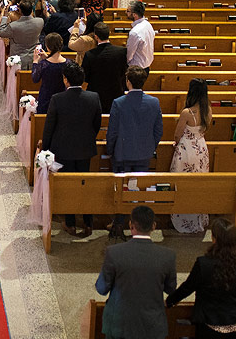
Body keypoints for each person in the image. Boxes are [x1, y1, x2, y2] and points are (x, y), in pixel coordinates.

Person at [167, 218, 236, 339]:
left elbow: (188, 287)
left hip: (212, 323)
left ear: (214, 239)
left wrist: (170, 301)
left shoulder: (204, 264)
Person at [95, 205, 176, 339]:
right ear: (154, 226)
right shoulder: (167, 256)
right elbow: (170, 289)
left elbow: (102, 289)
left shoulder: (114, 252)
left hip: (120, 321)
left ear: (131, 225)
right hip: (151, 324)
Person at [41, 62, 102, 236]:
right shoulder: (93, 97)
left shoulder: (57, 99)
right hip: (85, 148)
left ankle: (70, 223)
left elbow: (49, 127)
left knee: (68, 186)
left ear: (66, 80)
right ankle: (88, 222)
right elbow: (96, 124)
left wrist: (45, 149)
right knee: (84, 184)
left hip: (63, 149)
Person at [106, 65, 164, 239]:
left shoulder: (118, 103)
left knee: (121, 190)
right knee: (138, 190)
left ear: (128, 81)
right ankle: (138, 225)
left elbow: (113, 132)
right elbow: (158, 130)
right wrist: (149, 147)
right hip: (143, 154)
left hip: (122, 154)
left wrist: (111, 150)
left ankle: (118, 223)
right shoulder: (154, 102)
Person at [169, 79, 212, 234]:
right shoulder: (207, 110)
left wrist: (176, 143)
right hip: (201, 148)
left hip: (187, 150)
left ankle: (184, 219)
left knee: (182, 184)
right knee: (198, 184)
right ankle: (197, 217)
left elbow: (177, 134)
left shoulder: (187, 112)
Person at [81, 21, 128, 111]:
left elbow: (85, 77)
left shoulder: (89, 55)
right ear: (109, 33)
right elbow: (124, 72)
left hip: (96, 95)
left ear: (96, 36)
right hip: (116, 93)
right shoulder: (121, 52)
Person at [0, 0, 43, 70]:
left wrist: (5, 16)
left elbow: (1, 32)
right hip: (34, 58)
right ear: (31, 11)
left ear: (19, 11)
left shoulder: (13, 26)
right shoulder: (40, 21)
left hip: (18, 60)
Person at [30, 32, 67, 115]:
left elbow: (35, 79)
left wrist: (35, 61)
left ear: (47, 47)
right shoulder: (68, 63)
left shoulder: (44, 64)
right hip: (62, 98)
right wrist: (47, 57)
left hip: (46, 98)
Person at [123, 0, 155, 73]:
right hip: (146, 66)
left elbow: (129, 55)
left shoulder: (135, 32)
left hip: (136, 69)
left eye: (128, 11)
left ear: (134, 15)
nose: (125, 12)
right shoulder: (148, 25)